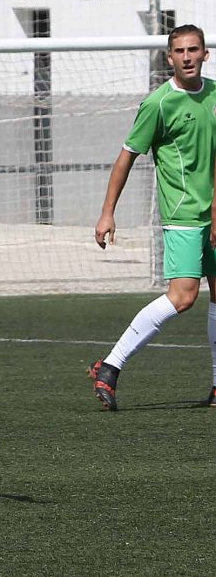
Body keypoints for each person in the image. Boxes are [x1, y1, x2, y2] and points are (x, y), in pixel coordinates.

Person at [90, 24, 216, 411]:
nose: (188, 56)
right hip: (182, 214)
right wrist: (107, 212)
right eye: (180, 51)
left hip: (215, 212)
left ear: (205, 54)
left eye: (194, 49)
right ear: (169, 58)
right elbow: (126, 157)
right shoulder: (159, 104)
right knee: (183, 297)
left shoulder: (215, 94)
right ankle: (110, 366)